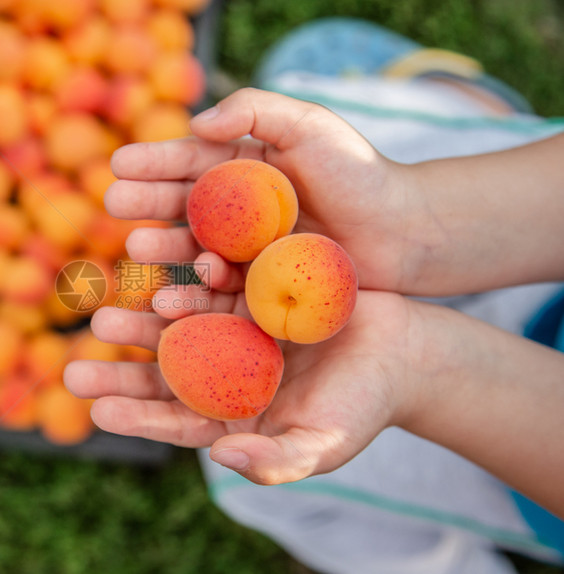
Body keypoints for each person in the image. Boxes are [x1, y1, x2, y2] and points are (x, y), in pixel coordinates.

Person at [64, 17, 564, 574]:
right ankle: (474, 113)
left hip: (532, 463)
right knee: (306, 99)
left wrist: (422, 370)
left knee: (252, 488)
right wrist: (416, 218)